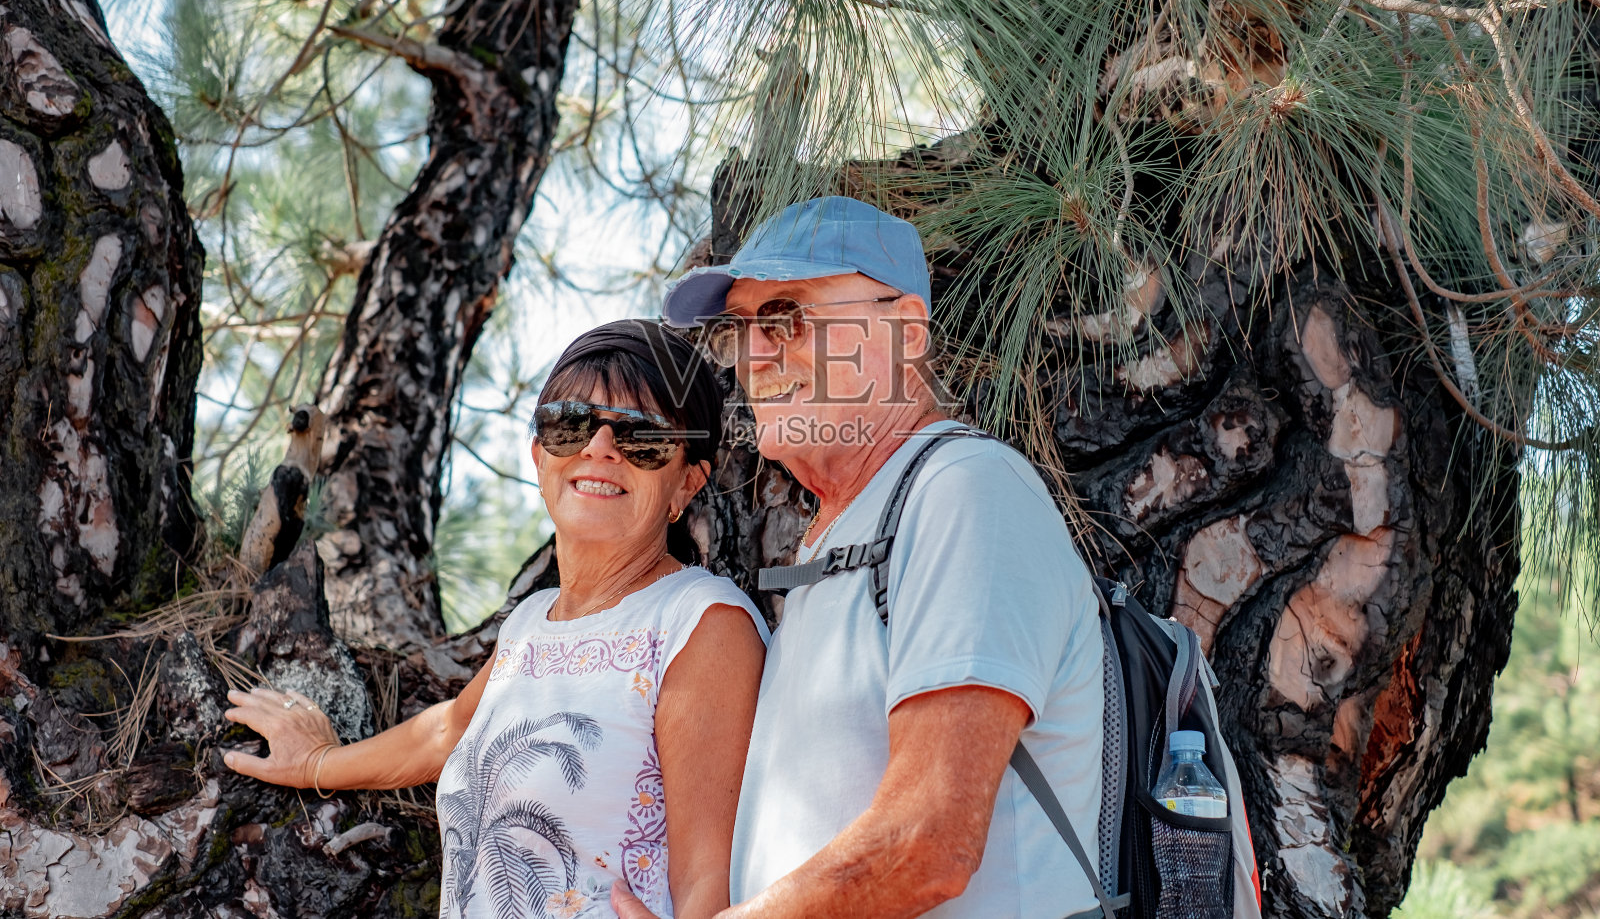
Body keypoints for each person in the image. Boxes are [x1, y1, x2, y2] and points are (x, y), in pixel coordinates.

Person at [614, 196, 1106, 919]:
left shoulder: (965, 491)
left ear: (906, 331)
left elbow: (926, 842)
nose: (754, 355)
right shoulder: (843, 538)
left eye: (784, 315)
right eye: (738, 331)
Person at [222, 320, 769, 919]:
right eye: (572, 424)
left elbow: (711, 878)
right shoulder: (533, 624)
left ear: (687, 482)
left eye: (643, 439)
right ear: (539, 456)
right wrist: (315, 762)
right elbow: (446, 731)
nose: (599, 448)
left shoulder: (701, 624)